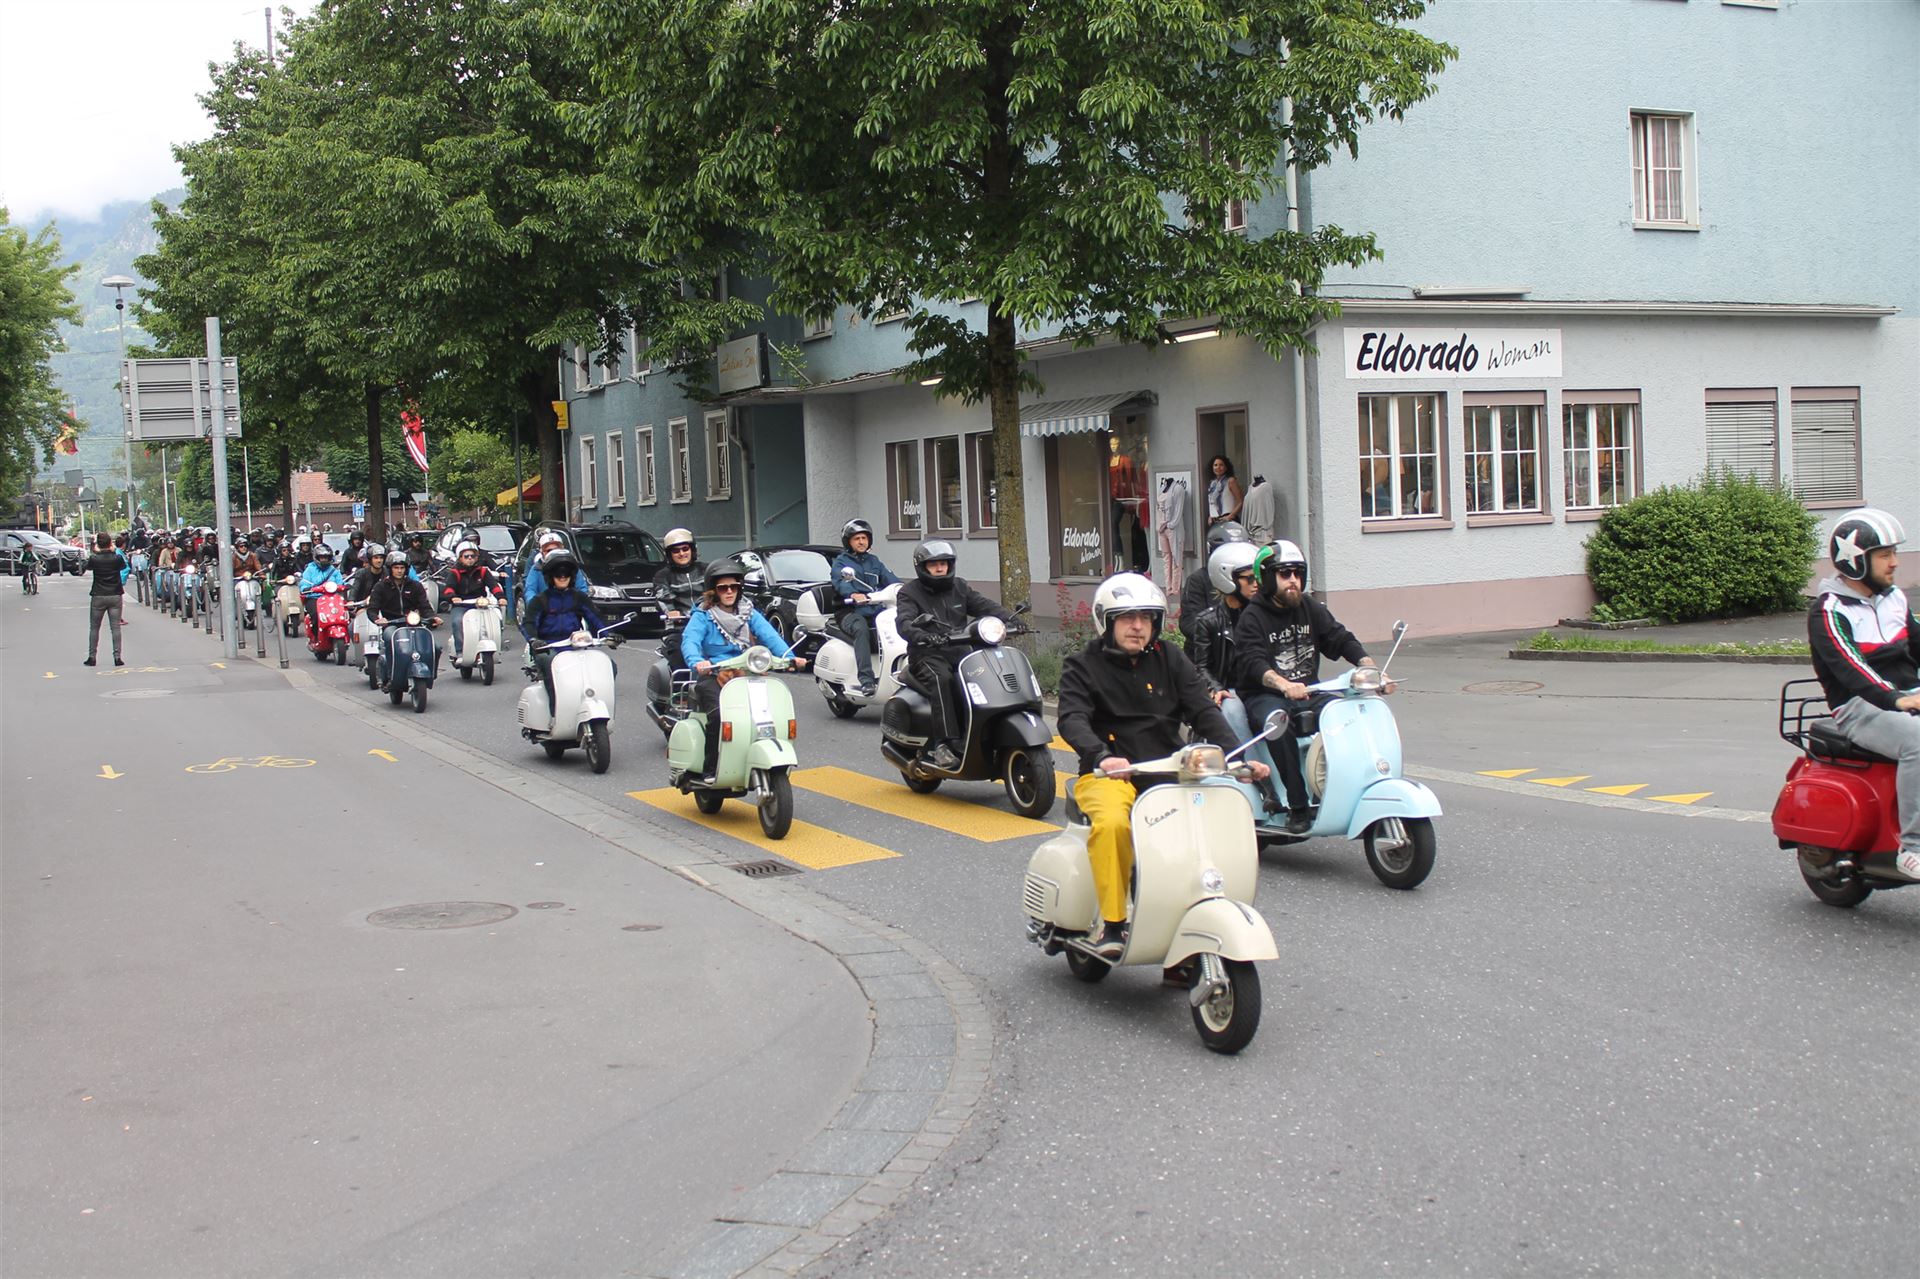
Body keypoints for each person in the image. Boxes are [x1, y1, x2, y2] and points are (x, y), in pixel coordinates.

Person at [1057, 572, 1268, 959]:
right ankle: (1113, 924)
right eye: (1127, 617)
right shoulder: (1083, 664)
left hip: (1168, 771)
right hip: (1109, 774)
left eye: (1146, 618)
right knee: (1113, 823)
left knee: (1208, 827)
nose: (1138, 626)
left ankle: (1191, 923)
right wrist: (1101, 755)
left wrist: (1238, 757)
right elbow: (1071, 718)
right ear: (1106, 620)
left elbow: (1203, 710)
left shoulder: (1170, 657)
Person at [1232, 540, 1383, 834]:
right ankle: (1297, 805)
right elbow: (1253, 662)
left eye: (1298, 573)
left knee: (1346, 712)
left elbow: (1339, 638)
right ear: (1267, 578)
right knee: (1278, 722)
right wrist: (1283, 684)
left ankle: (1342, 786)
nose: (1293, 580)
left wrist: (1369, 667)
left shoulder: (1308, 606)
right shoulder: (1252, 617)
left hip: (1308, 692)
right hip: (1264, 696)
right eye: (1285, 573)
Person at [1809, 508, 1920, 880]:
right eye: (1885, 555)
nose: (1894, 562)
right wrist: (1896, 699)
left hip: (1905, 695)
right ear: (1856, 561)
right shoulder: (1829, 610)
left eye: (1894, 553)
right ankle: (1913, 848)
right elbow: (1852, 670)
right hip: (1859, 706)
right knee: (1918, 740)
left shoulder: (1894, 599)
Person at [679, 556, 805, 784]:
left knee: (768, 714)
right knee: (718, 715)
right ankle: (711, 768)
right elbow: (690, 641)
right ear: (713, 590)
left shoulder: (749, 612)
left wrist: (790, 658)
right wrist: (698, 661)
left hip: (747, 673)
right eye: (723, 587)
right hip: (715, 674)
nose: (729, 591)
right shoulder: (703, 616)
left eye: (734, 586)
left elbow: (770, 636)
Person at [894, 539, 1008, 772]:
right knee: (943, 679)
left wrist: (1010, 618)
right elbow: (904, 622)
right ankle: (942, 744)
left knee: (989, 673)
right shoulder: (909, 592)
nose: (939, 568)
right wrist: (922, 635)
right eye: (933, 564)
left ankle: (985, 732)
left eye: (943, 563)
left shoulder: (960, 587)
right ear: (922, 567)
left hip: (960, 652)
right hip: (926, 654)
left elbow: (984, 605)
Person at [521, 551, 609, 718]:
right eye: (558, 573)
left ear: (572, 576)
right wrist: (534, 640)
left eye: (566, 573)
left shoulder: (579, 597)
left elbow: (596, 619)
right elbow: (528, 624)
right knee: (551, 666)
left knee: (609, 666)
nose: (562, 577)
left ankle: (598, 706)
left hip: (575, 645)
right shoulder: (540, 600)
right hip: (548, 647)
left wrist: (609, 635)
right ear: (550, 576)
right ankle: (556, 714)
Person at [830, 518, 901, 694]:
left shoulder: (874, 561)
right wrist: (853, 594)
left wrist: (906, 591)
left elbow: (891, 581)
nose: (861, 542)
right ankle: (866, 680)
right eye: (857, 538)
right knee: (861, 629)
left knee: (900, 623)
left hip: (874, 610)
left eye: (864, 538)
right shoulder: (841, 563)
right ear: (848, 542)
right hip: (849, 611)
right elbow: (840, 582)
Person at [367, 555, 443, 684]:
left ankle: (431, 674)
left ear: (406, 569)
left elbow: (424, 606)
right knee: (390, 639)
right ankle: (391, 675)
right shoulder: (381, 586)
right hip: (391, 624)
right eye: (396, 568)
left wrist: (432, 618)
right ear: (390, 569)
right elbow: (372, 609)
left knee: (435, 647)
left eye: (402, 568)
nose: (399, 571)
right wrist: (378, 619)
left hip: (413, 624)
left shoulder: (415, 586)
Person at [1179, 520, 1249, 642]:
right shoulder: (1198, 580)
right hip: (1210, 649)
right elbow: (1190, 623)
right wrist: (1221, 638)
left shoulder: (1251, 580)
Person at [443, 540, 506, 660]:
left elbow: (494, 586)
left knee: (497, 619)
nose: (470, 559)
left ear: (477, 558)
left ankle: (497, 647)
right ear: (460, 558)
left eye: (473, 556)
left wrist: (501, 597)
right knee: (457, 622)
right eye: (466, 556)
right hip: (461, 605)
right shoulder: (455, 573)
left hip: (480, 604)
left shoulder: (483, 571)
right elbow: (448, 589)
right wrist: (453, 597)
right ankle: (460, 651)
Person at [652, 527, 706, 639]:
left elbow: (717, 591)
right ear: (669, 554)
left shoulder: (706, 570)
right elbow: (663, 599)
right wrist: (671, 612)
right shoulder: (663, 575)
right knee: (675, 646)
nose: (681, 553)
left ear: (692, 550)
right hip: (679, 627)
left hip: (707, 622)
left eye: (685, 549)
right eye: (676, 551)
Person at [83, 532, 127, 667]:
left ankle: (92, 657)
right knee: (115, 627)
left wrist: (96, 551)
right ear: (110, 543)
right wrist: (112, 551)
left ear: (98, 544)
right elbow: (123, 566)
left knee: (94, 627)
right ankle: (117, 657)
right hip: (115, 594)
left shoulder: (94, 559)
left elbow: (87, 567)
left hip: (98, 594)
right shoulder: (117, 558)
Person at [522, 530, 592, 602]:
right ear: (542, 552)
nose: (553, 553)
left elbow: (582, 588)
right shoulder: (537, 568)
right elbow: (530, 590)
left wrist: (579, 603)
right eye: (549, 550)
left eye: (556, 549)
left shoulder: (571, 566)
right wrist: (534, 603)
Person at [296, 543, 345, 631]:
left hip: (333, 598)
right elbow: (304, 582)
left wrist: (345, 586)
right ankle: (316, 635)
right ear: (317, 558)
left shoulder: (334, 570)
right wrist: (306, 588)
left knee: (343, 614)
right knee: (316, 615)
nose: (324, 560)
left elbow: (340, 582)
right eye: (322, 557)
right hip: (314, 598)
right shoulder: (310, 569)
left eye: (326, 558)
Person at [1206, 454, 1244, 528]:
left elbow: (1240, 502)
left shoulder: (1231, 481)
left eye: (1221, 465)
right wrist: (1210, 516)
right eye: (1215, 465)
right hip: (1215, 522)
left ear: (1226, 467)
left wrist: (1231, 516)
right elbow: (1212, 503)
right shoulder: (1212, 484)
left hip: (1228, 520)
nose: (1218, 467)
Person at [1242, 473, 1278, 543]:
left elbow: (1268, 507)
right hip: (1250, 531)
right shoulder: (1250, 487)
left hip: (1262, 531)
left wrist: (1264, 525)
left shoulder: (1266, 487)